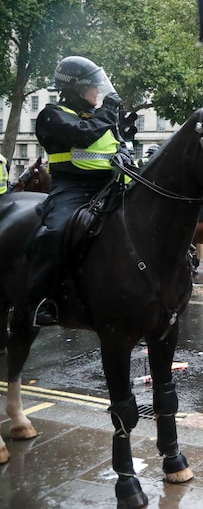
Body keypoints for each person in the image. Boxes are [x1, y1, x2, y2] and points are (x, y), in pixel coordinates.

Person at [27, 56, 128, 327]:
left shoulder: (98, 117)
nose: (98, 92)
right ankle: (39, 300)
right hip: (72, 187)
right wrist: (109, 111)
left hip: (108, 184)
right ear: (75, 89)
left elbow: (117, 143)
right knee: (56, 230)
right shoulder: (52, 115)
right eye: (93, 87)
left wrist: (124, 155)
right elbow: (82, 135)